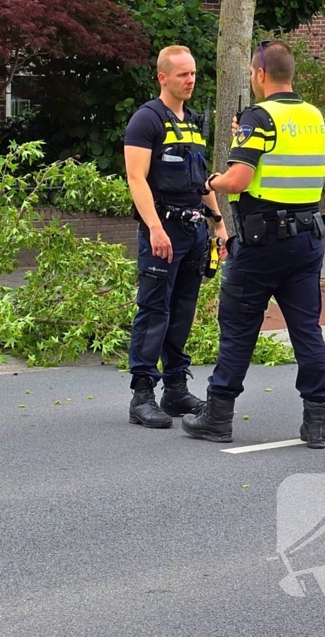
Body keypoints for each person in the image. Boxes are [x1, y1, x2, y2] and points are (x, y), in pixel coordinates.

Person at [181, 39, 325, 448]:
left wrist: (211, 182)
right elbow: (284, 155)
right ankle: (317, 420)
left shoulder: (258, 116)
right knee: (307, 330)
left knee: (237, 328)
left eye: (251, 73)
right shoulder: (313, 116)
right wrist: (244, 137)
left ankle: (218, 417)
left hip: (262, 242)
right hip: (307, 239)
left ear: (261, 74)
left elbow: (238, 180)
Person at [124, 45, 228, 429]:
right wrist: (154, 227)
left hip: (194, 232)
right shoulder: (146, 120)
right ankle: (142, 395)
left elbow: (201, 180)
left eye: (193, 73)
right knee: (154, 310)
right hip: (163, 231)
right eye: (183, 74)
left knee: (182, 311)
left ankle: (175, 390)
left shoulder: (192, 123)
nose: (191, 80)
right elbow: (136, 178)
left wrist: (218, 224)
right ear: (162, 77)